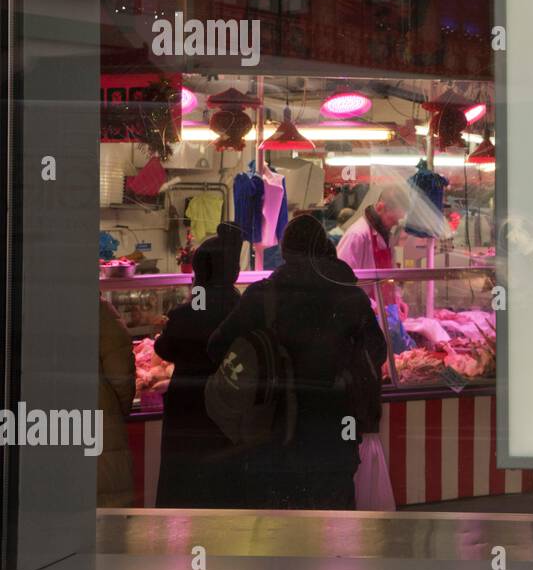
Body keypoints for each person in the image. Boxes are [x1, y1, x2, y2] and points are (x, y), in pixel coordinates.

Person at [208, 214, 386, 510]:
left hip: (273, 439)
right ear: (325, 247)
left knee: (279, 537)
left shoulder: (263, 295)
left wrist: (261, 363)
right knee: (336, 534)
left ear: (287, 251)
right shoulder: (351, 296)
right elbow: (376, 352)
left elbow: (218, 346)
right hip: (335, 439)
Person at [153, 222, 243, 507]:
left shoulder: (186, 313)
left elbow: (165, 348)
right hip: (229, 415)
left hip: (188, 414)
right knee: (223, 493)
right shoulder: (242, 310)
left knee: (186, 493)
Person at [336, 186, 411, 343]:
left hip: (382, 317)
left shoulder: (385, 234)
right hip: (360, 318)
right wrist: (373, 306)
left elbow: (390, 275)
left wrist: (396, 301)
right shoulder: (357, 235)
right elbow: (341, 281)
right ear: (380, 207)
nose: (394, 225)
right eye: (393, 220)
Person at [97, 296, 136, 507]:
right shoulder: (100, 311)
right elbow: (121, 375)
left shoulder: (27, 306)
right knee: (108, 529)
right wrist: (116, 414)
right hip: (101, 433)